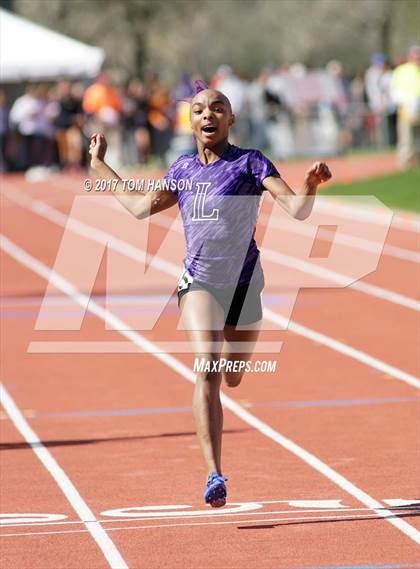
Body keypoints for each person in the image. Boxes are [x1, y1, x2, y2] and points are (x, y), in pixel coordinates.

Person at [89, 84, 331, 508]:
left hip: (244, 285)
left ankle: (230, 383)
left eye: (218, 109)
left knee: (233, 375)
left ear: (231, 119)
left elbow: (296, 210)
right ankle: (214, 473)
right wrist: (99, 163)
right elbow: (138, 206)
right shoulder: (181, 170)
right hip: (198, 283)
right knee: (207, 368)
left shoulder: (251, 163)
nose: (208, 115)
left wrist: (309, 185)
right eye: (199, 110)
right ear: (190, 121)